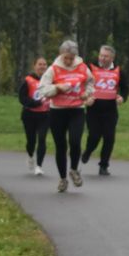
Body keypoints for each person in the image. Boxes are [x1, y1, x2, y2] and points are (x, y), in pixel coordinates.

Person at [36, 40, 94, 194]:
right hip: (57, 111)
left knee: (75, 141)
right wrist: (56, 87)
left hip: (77, 110)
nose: (68, 61)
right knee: (61, 146)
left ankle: (74, 170)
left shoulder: (82, 67)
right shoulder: (53, 69)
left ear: (75, 56)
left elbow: (90, 83)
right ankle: (62, 178)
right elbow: (42, 89)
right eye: (65, 58)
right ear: (61, 55)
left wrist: (87, 93)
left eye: (71, 58)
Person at [80, 44, 128, 176]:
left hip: (110, 109)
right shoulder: (90, 67)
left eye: (106, 56)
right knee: (94, 136)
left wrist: (122, 98)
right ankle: (88, 152)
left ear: (112, 57)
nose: (102, 58)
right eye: (101, 55)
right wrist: (85, 99)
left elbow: (125, 88)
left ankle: (103, 166)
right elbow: (81, 84)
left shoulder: (118, 70)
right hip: (93, 109)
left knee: (109, 137)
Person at [17, 56, 49, 176]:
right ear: (34, 66)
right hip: (29, 115)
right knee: (31, 141)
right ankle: (30, 156)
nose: (42, 66)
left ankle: (39, 166)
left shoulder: (50, 80)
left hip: (45, 115)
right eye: (40, 64)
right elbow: (22, 97)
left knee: (42, 139)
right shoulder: (28, 80)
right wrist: (35, 103)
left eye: (44, 64)